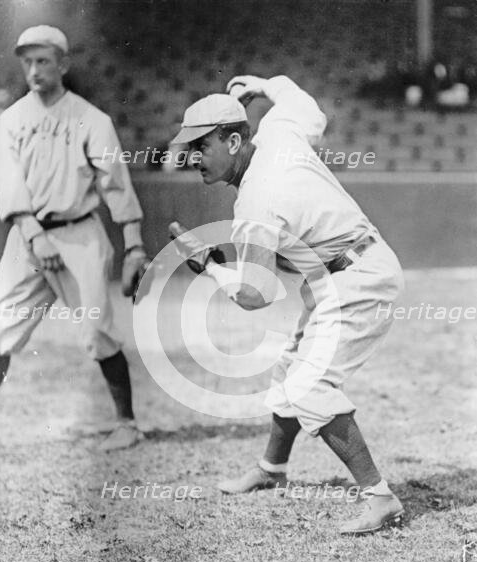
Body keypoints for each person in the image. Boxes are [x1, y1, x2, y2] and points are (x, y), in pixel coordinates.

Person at [170, 75, 405, 534]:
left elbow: (255, 296)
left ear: (234, 140)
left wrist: (209, 266)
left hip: (359, 279)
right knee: (289, 368)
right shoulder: (278, 130)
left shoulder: (258, 201)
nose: (190, 158)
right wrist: (260, 85)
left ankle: (380, 498)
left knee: (308, 384)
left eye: (202, 145)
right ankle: (272, 469)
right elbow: (299, 96)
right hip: (343, 274)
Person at [0, 26, 149, 451]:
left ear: (63, 64)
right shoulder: (8, 121)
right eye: (27, 61)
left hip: (79, 234)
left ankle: (127, 424)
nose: (33, 69)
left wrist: (134, 243)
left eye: (43, 60)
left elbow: (116, 184)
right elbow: (8, 184)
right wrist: (31, 233)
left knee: (97, 331)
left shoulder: (91, 119)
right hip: (28, 238)